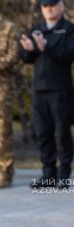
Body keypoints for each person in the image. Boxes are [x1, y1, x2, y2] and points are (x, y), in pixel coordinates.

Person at [20, 0, 74, 188]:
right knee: (43, 133)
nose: (49, 9)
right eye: (45, 6)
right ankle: (48, 173)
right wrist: (28, 50)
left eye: (53, 5)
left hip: (60, 89)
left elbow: (69, 56)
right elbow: (28, 59)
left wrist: (46, 48)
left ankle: (63, 174)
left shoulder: (69, 29)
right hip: (40, 89)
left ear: (61, 6)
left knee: (61, 132)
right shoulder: (37, 29)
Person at [0, 13, 20, 189]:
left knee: (3, 130)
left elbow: (13, 56)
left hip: (2, 87)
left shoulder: (9, 28)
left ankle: (5, 171)